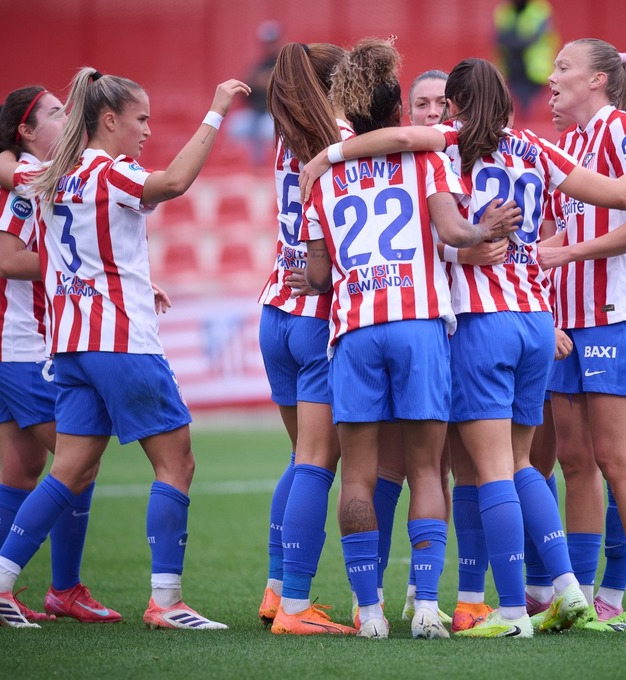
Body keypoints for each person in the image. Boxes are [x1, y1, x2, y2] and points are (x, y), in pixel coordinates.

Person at [299, 58, 626, 639]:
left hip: (474, 321)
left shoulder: (443, 148)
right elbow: (625, 193)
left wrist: (327, 155)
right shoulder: (532, 145)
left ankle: (508, 612)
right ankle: (564, 588)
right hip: (537, 318)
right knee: (524, 463)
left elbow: (406, 145)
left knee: (485, 471)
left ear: (454, 106)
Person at [0, 67, 251, 629]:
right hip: (121, 341)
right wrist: (215, 112)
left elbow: (2, 167)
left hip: (69, 345)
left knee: (68, 469)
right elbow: (172, 184)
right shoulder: (108, 172)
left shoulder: (52, 175)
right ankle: (166, 602)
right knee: (177, 463)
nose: (147, 129)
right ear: (110, 120)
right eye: (140, 119)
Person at [302, 37, 522, 640]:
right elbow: (455, 231)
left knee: (358, 479)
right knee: (429, 469)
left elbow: (318, 275)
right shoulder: (428, 157)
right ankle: (427, 605)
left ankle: (368, 611)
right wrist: (485, 227)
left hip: (352, 330)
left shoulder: (322, 173)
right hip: (419, 321)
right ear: (399, 108)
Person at [539, 37, 626, 632]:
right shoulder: (568, 145)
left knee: (618, 460)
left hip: (615, 316)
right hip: (569, 324)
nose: (551, 75)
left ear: (597, 80)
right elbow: (550, 237)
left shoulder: (622, 131)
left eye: (564, 66)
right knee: (575, 462)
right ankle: (581, 597)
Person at [0, 85, 124, 625]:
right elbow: (12, 260)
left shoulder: (33, 177)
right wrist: (83, 270)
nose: (68, 116)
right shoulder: (24, 183)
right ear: (28, 133)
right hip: (19, 347)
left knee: (22, 469)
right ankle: (57, 588)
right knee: (77, 461)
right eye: (56, 112)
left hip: (6, 345)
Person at [256, 40, 357, 636]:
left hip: (276, 309)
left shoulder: (283, 136)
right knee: (319, 463)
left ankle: (275, 589)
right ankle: (295, 606)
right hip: (319, 312)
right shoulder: (340, 136)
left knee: (300, 459)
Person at [227, 20, 282, 165]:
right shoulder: (257, 67)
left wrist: (269, 80)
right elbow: (245, 95)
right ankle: (246, 169)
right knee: (236, 125)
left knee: (267, 129)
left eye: (273, 41)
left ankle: (270, 167)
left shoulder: (285, 64)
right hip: (256, 113)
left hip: (276, 115)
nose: (270, 45)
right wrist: (255, 83)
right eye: (267, 42)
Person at [494, 0, 559, 120]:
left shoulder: (539, 10)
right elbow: (498, 38)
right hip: (511, 68)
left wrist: (512, 43)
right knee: (515, 110)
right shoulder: (504, 11)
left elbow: (536, 37)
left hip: (534, 70)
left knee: (532, 111)